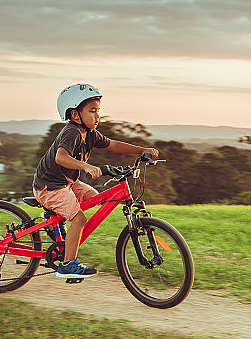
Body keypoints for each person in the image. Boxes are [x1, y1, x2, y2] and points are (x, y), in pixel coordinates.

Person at [33, 83, 159, 279]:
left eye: (98, 111)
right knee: (80, 218)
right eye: (92, 111)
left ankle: (55, 224)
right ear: (75, 115)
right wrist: (87, 167)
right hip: (50, 186)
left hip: (68, 183)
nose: (97, 116)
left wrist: (142, 150)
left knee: (97, 198)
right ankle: (67, 265)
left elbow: (113, 144)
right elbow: (61, 157)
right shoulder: (72, 132)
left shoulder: (90, 134)